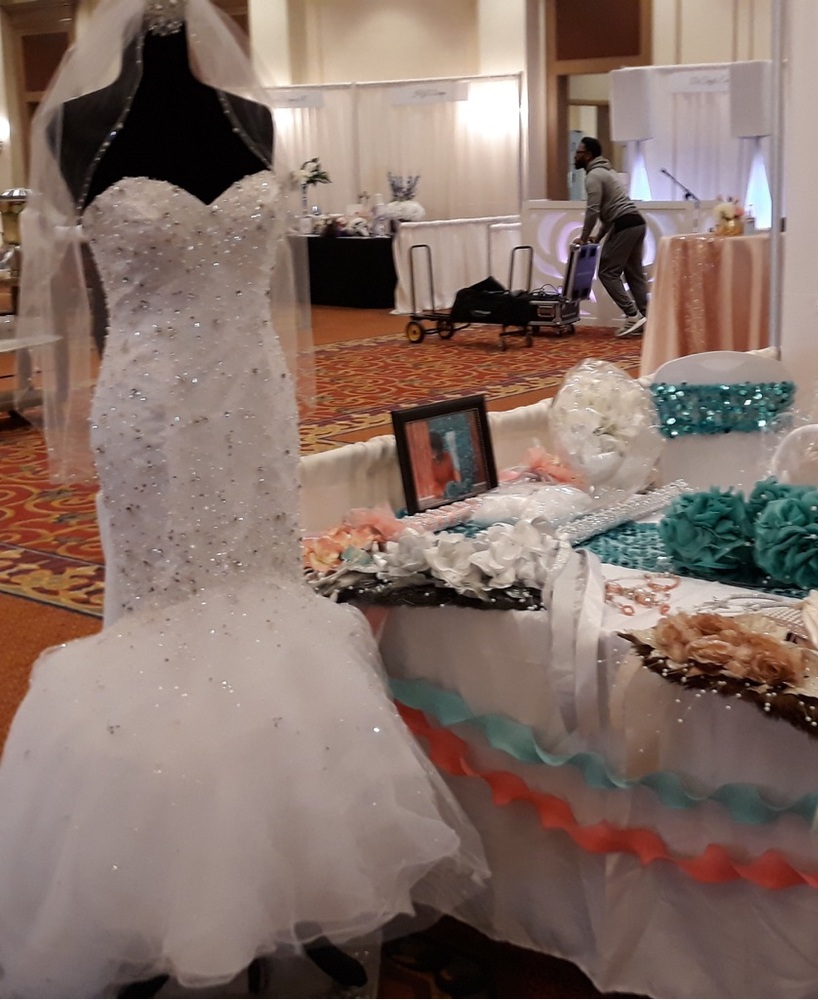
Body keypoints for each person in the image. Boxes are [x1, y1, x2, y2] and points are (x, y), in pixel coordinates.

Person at [0, 1, 487, 997]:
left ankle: (275, 869)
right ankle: (162, 888)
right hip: (149, 412)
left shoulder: (251, 119)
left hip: (251, 407)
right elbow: (73, 290)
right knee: (168, 621)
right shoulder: (71, 122)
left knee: (263, 609)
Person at [572, 136, 649, 338]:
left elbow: (593, 210)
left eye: (578, 152)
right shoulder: (608, 173)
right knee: (634, 273)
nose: (575, 156)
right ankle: (648, 318)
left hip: (623, 224)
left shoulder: (594, 176)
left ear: (588, 155)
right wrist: (597, 238)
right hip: (636, 223)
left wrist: (584, 237)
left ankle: (632, 315)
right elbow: (608, 213)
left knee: (607, 271)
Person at [429, 430, 459, 498]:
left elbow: (455, 476)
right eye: (432, 449)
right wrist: (442, 493)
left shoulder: (448, 456)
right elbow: (434, 485)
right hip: (440, 495)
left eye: (436, 449)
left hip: (453, 491)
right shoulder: (430, 463)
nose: (434, 452)